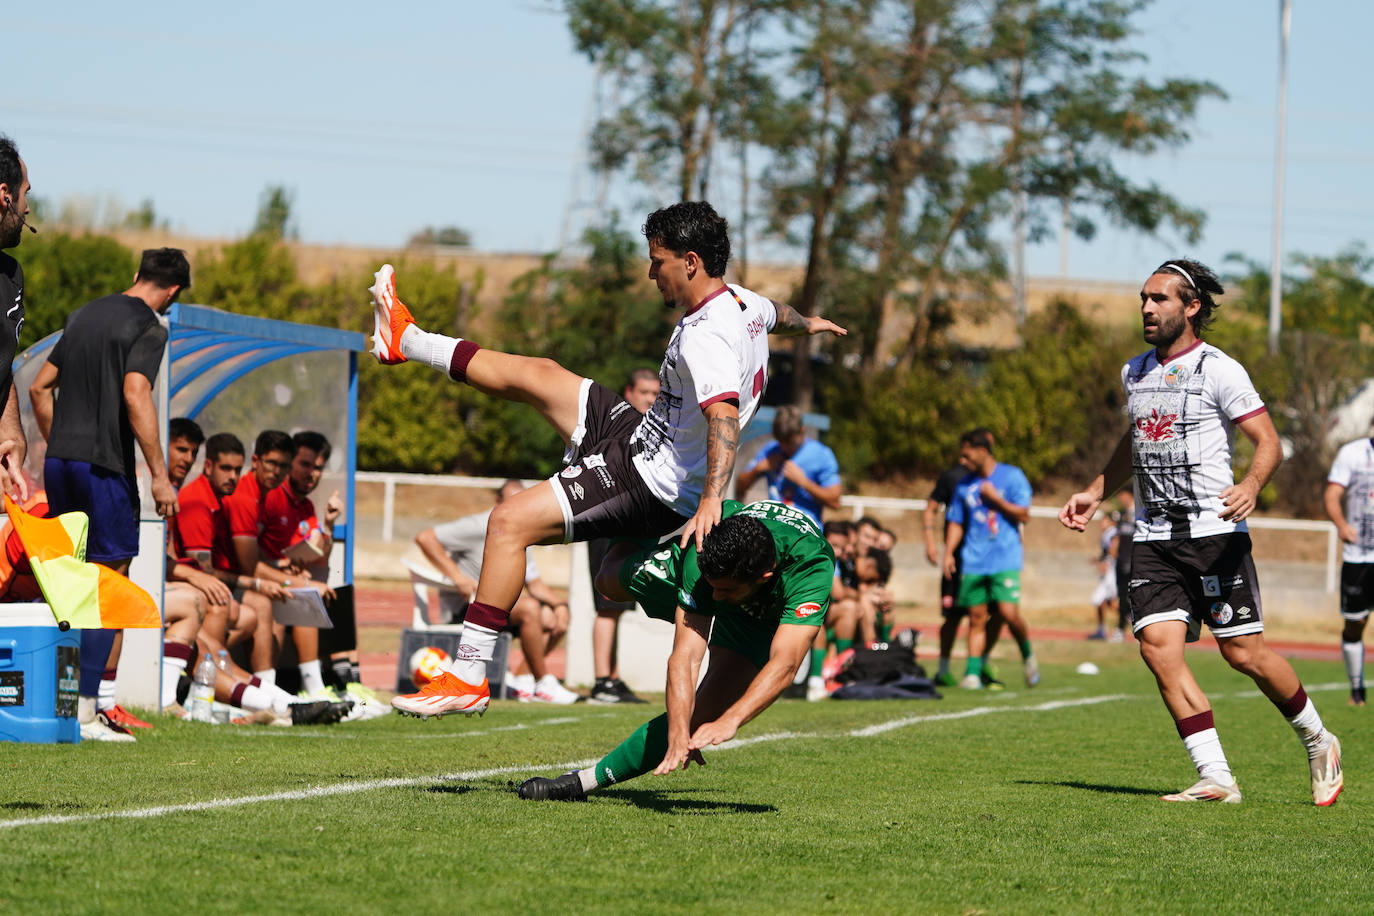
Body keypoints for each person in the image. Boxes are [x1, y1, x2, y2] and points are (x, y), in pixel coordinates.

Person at [373, 200, 845, 717]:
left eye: (656, 260)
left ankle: (467, 674)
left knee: (508, 522)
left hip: (648, 480)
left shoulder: (709, 334)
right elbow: (782, 315)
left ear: (689, 262)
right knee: (542, 374)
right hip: (640, 436)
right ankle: (407, 340)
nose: (650, 272)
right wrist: (812, 324)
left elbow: (724, 417)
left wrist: (712, 500)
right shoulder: (744, 303)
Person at [1060, 257, 1342, 806]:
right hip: (1153, 536)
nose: (1146, 308)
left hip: (1215, 534)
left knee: (1243, 655)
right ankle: (1216, 776)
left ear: (1190, 307)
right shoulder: (1134, 371)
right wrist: (1096, 488)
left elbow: (1269, 442)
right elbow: (1136, 439)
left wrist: (1253, 485)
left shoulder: (1220, 369)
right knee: (1158, 650)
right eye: (1143, 298)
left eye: (1159, 299)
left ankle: (1317, 737)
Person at [517, 499, 834, 801]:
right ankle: (644, 512)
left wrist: (731, 719)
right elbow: (686, 655)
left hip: (758, 616)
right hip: (711, 568)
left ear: (765, 577)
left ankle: (582, 781)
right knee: (607, 581)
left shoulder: (811, 565)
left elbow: (786, 662)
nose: (716, 599)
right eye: (714, 588)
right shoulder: (705, 548)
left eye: (725, 591)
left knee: (704, 715)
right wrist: (677, 730)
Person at [29, 247, 188, 742]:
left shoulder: (82, 315)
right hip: (105, 468)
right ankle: (86, 712)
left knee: (68, 582)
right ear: (173, 292)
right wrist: (159, 476)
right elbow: (136, 392)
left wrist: (62, 445)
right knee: (108, 582)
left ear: (136, 274)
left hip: (61, 464)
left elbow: (39, 387)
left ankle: (56, 701)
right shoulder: (151, 327)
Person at [408, 479, 580, 706]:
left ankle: (521, 679)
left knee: (552, 617)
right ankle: (543, 682)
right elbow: (425, 538)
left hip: (502, 609)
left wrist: (560, 606)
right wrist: (457, 577)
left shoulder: (523, 529)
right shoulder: (480, 524)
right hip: (468, 609)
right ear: (498, 502)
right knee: (530, 608)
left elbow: (535, 585)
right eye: (511, 501)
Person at [942, 429, 1037, 689]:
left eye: (966, 455)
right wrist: (949, 552)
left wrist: (996, 500)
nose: (962, 461)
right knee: (976, 616)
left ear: (982, 451)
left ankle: (1027, 655)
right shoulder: (964, 485)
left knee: (1007, 612)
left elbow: (1024, 514)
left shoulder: (1012, 476)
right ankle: (973, 672)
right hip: (973, 559)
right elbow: (955, 521)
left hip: (1004, 557)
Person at [587, 368, 659, 705]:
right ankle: (602, 682)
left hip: (632, 521)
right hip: (607, 519)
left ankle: (612, 679)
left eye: (656, 394)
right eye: (645, 392)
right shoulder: (614, 422)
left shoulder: (654, 426)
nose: (651, 399)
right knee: (606, 605)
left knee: (618, 604)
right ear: (628, 392)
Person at [923, 433, 1004, 687]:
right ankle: (943, 668)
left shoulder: (999, 478)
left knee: (996, 613)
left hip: (990, 559)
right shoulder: (954, 478)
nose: (963, 457)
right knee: (954, 615)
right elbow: (931, 508)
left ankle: (978, 665)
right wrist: (931, 541)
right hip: (958, 559)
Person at [1324, 420, 1374, 706]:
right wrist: (1341, 524)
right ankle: (1357, 688)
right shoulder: (1352, 453)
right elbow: (1332, 495)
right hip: (1359, 556)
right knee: (1356, 623)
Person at [734, 405, 842, 528]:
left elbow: (835, 501)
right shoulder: (770, 450)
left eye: (790, 442)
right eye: (781, 442)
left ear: (802, 430)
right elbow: (738, 487)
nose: (785, 448)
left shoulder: (822, 454)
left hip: (806, 533)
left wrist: (804, 482)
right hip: (774, 531)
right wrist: (757, 469)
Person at [0, 135, 31, 500]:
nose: (26, 208)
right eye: (25, 194)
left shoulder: (11, 274)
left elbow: (2, 364)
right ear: (5, 194)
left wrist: (10, 435)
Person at [1087, 514, 1119, 640]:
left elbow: (1114, 550)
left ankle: (1128, 619)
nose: (1101, 523)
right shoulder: (1107, 533)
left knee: (1099, 599)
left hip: (1111, 572)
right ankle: (1102, 630)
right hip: (1109, 571)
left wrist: (1107, 562)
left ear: (1111, 522)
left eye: (1104, 521)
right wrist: (1098, 559)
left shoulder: (1112, 533)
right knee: (1109, 602)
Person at [1112, 489, 1136, 642]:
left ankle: (1138, 628)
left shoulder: (1141, 514)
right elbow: (1117, 538)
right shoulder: (1120, 515)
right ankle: (1120, 628)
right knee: (1121, 597)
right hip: (1121, 563)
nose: (1120, 498)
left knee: (1135, 598)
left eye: (1122, 495)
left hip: (1136, 563)